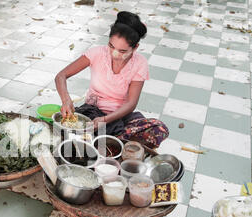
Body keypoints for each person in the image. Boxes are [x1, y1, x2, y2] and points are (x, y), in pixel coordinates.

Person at [55, 11, 169, 149]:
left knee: (158, 129)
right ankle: (114, 143)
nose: (114, 54)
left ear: (135, 48)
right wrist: (66, 100)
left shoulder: (140, 63)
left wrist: (104, 120)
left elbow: (131, 104)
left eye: (122, 51)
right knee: (73, 130)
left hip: (121, 115)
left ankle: (108, 141)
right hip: (93, 112)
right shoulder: (96, 53)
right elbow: (61, 76)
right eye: (111, 46)